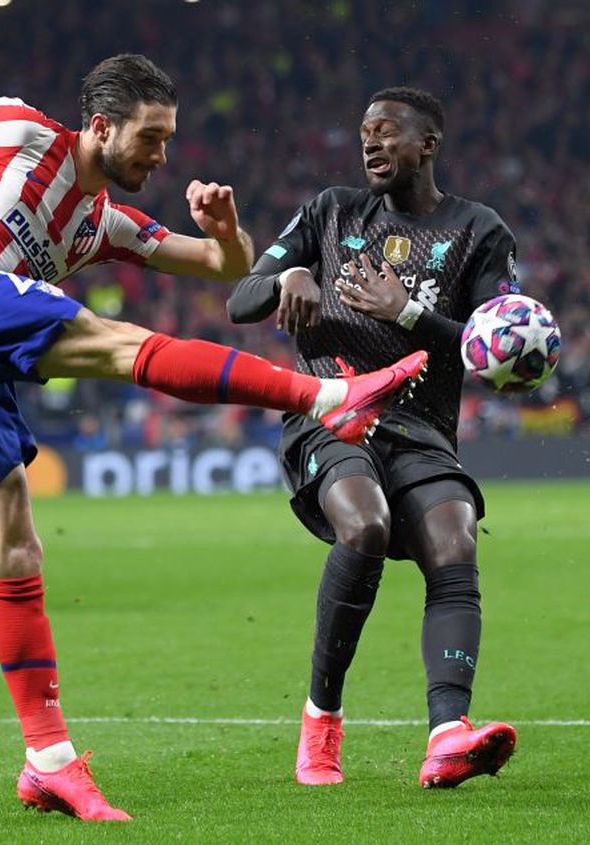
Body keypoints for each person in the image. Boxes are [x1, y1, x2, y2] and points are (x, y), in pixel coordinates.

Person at [0, 55, 426, 822]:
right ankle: (329, 396)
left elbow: (223, 269)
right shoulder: (18, 129)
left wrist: (227, 233)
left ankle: (47, 760)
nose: (162, 156)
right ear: (103, 126)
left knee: (13, 548)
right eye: (151, 138)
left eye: (169, 141)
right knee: (118, 343)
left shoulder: (100, 222)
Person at [227, 87, 518, 790]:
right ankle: (321, 716)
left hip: (420, 427)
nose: (371, 142)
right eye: (364, 132)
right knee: (364, 524)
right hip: (331, 411)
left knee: (456, 537)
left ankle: (448, 732)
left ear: (428, 143)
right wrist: (289, 275)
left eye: (387, 131)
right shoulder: (330, 211)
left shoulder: (479, 232)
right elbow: (241, 297)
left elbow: (489, 352)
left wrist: (411, 311)